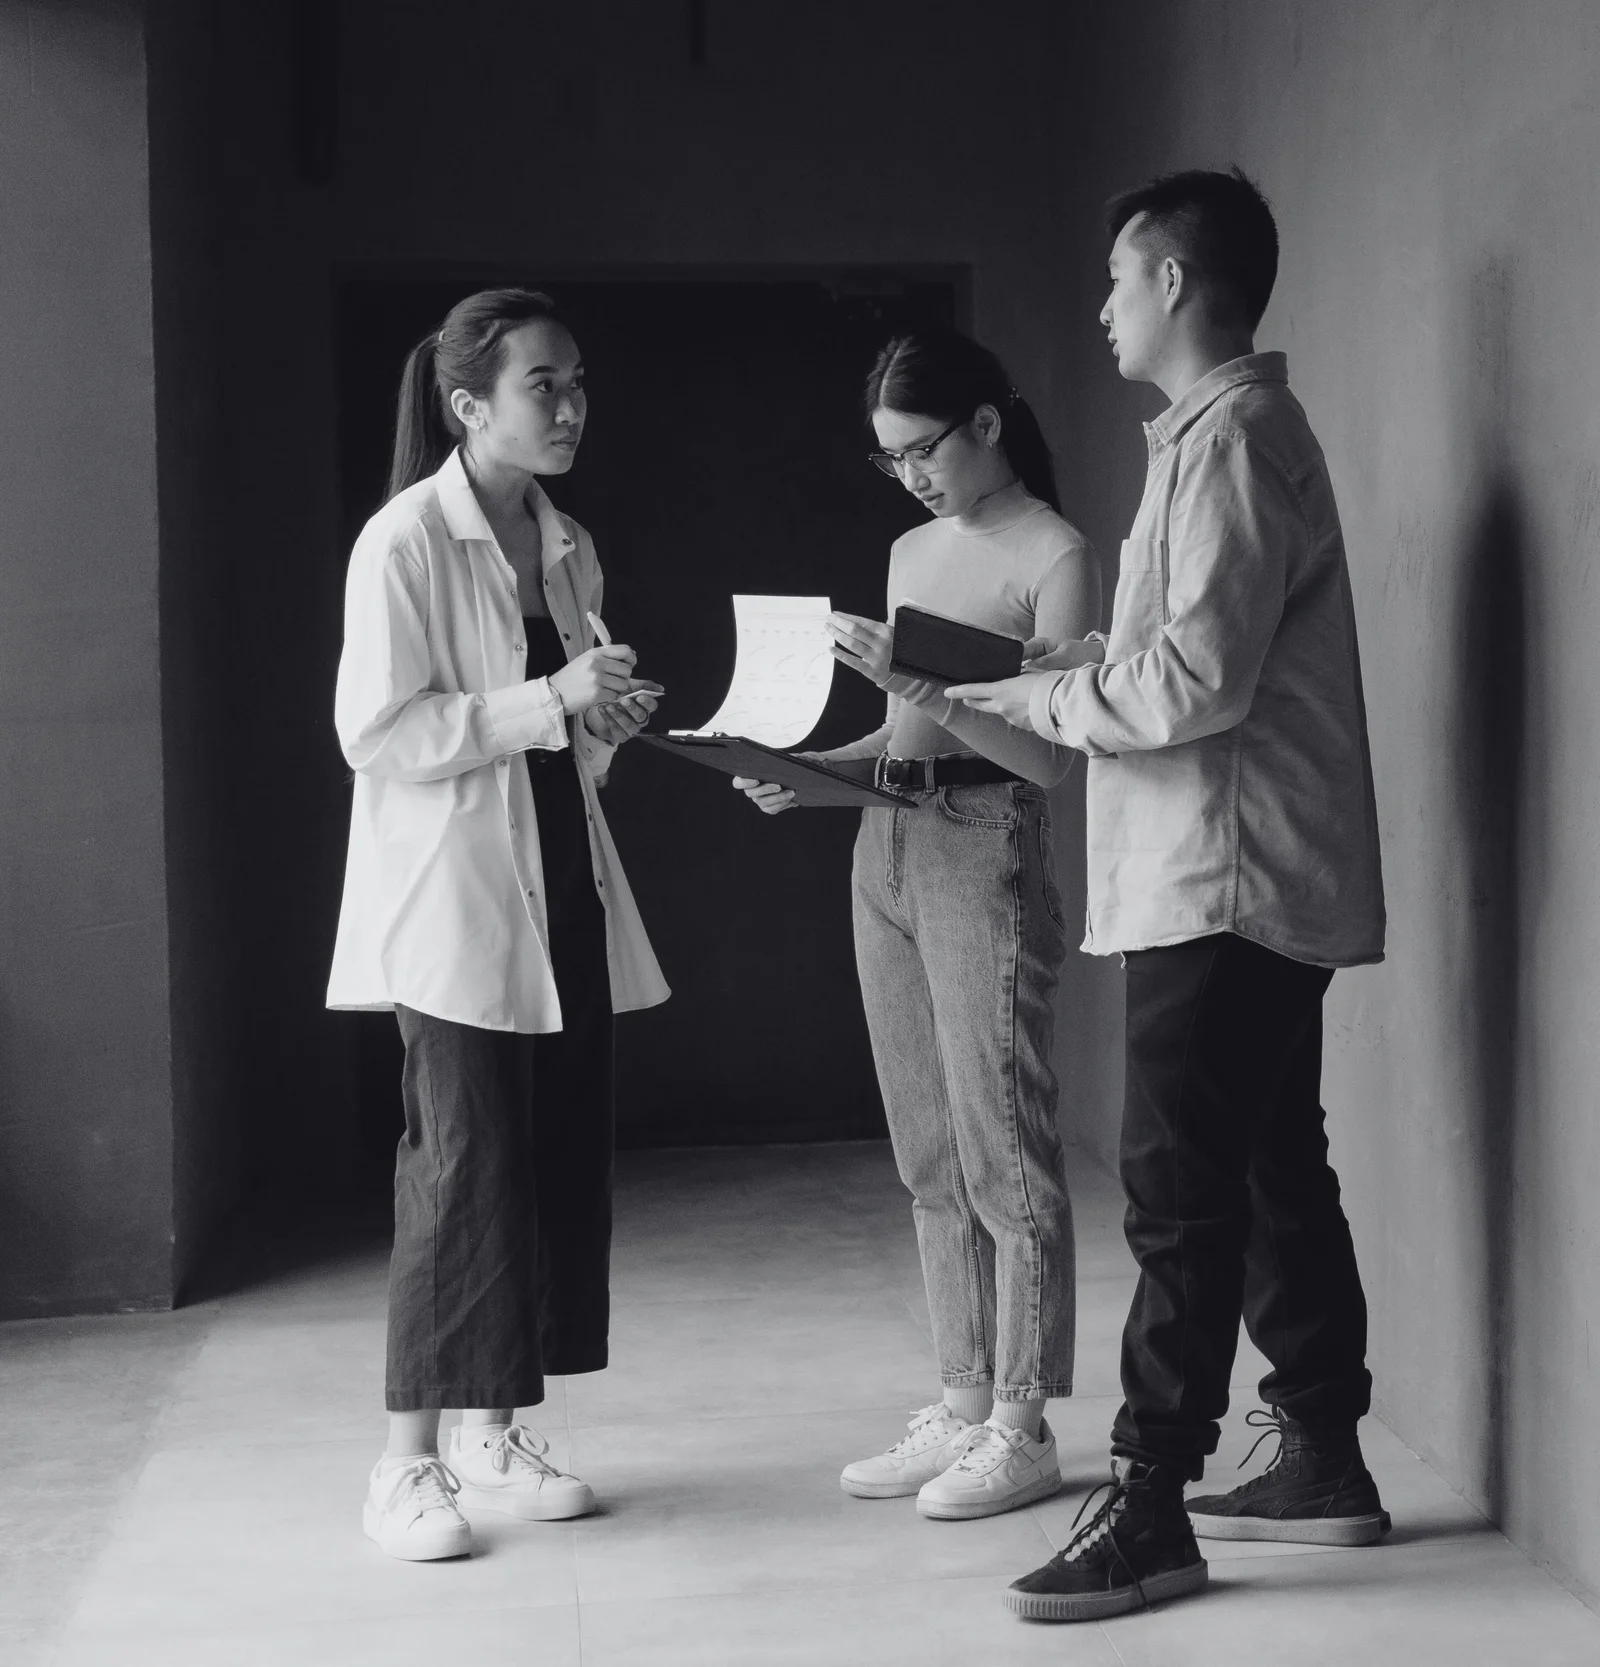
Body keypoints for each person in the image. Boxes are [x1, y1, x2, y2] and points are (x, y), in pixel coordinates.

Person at [947, 168, 1391, 1622]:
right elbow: (1179, 654)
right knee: (1264, 1163)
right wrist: (1049, 677)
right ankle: (1320, 1450)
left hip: (1225, 876)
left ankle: (1148, 1500)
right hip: (1233, 871)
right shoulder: (1216, 438)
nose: (1103, 307)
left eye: (1117, 279)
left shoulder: (1236, 442)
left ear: (1176, 283)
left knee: (1180, 1191)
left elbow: (1195, 681)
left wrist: (1039, 696)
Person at [731, 328, 1096, 1522]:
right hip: (885, 845)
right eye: (889, 459)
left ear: (986, 422)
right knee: (927, 1152)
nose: (910, 476)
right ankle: (961, 1395)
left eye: (922, 449)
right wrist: (807, 772)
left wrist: (917, 683)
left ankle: (1022, 1424)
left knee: (1004, 1147)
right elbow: (906, 742)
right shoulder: (908, 548)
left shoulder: (1054, 553)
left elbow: (1046, 758)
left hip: (986, 843)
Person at [329, 288, 669, 1561]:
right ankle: (403, 1463)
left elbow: (560, 746)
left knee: (553, 1152)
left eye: (578, 381)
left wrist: (597, 722)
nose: (572, 405)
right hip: (454, 898)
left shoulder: (569, 543)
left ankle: (492, 1429)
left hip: (560, 879)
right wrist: (548, 697)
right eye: (544, 384)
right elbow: (377, 731)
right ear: (469, 405)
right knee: (462, 1159)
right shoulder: (404, 541)